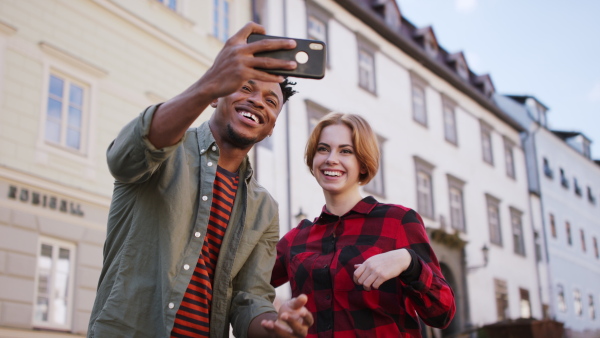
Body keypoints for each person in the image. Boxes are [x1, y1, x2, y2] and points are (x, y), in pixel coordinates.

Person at [87, 22, 314, 338]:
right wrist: (209, 82)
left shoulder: (264, 209)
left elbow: (250, 299)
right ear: (215, 97)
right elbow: (123, 158)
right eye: (245, 87)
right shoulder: (165, 149)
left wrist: (274, 328)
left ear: (271, 126)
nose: (258, 101)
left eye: (271, 101)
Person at [271, 113, 456, 337]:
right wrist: (276, 312)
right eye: (323, 149)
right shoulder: (297, 238)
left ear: (363, 162)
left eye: (345, 151)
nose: (331, 158)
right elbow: (245, 284)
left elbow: (442, 314)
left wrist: (409, 263)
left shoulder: (398, 221)